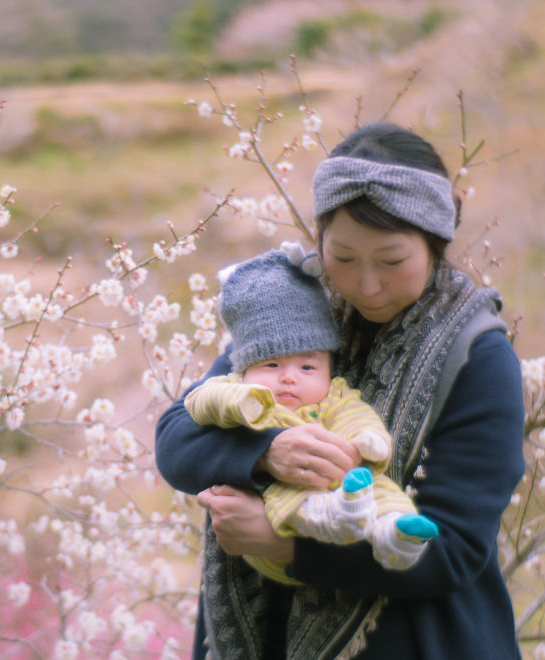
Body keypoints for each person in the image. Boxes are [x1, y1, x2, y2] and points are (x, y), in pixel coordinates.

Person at [155, 123, 526, 659]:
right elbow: (177, 435)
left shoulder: (478, 356)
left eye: (393, 261)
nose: (366, 285)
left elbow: (456, 551)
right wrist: (264, 454)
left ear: (436, 244)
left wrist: (285, 546)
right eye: (344, 258)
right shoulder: (293, 309)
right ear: (320, 239)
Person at [183, 245, 439, 586]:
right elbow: (199, 401)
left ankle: (395, 533)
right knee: (288, 493)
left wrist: (366, 441)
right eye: (271, 365)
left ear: (328, 367)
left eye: (307, 366)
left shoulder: (333, 396)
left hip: (346, 488)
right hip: (277, 523)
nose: (289, 376)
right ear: (244, 368)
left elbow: (355, 415)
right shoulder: (236, 388)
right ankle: (334, 516)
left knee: (381, 486)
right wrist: (242, 403)